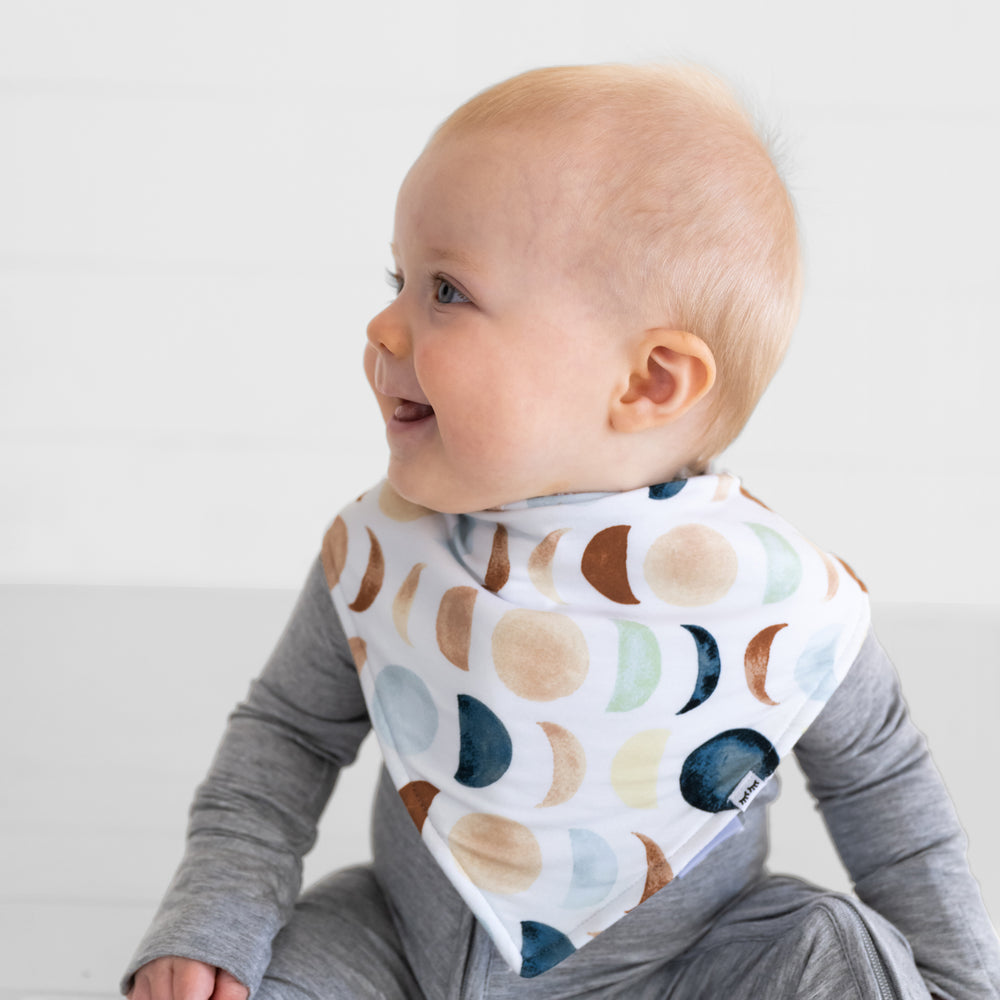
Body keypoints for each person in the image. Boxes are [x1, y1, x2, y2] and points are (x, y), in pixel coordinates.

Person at [122, 64, 1000, 1000]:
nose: (384, 326)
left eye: (447, 292)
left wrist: (954, 982)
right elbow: (287, 737)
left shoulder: (776, 600)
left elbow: (886, 796)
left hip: (681, 970)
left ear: (648, 383)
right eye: (399, 278)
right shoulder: (384, 551)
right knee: (272, 973)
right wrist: (215, 915)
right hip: (404, 956)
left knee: (829, 951)